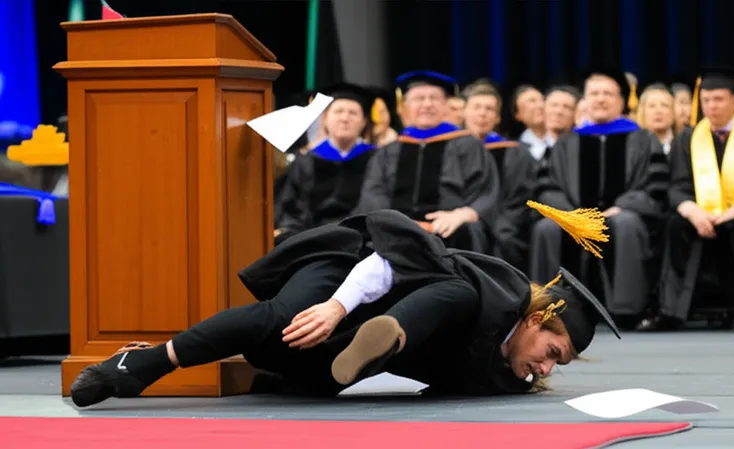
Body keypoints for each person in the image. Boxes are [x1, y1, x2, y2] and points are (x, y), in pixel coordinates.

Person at [69, 204, 620, 407]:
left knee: (311, 377)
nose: (546, 368)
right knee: (280, 320)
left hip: (343, 352)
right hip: (352, 279)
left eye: (557, 365)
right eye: (552, 351)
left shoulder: (504, 375)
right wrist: (336, 307)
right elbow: (389, 260)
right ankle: (139, 365)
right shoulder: (491, 289)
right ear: (535, 319)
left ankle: (358, 348)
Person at [637, 67, 734, 332]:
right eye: (706, 100)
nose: (711, 106)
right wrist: (693, 211)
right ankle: (670, 311)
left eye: (718, 99)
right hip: (701, 216)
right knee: (675, 223)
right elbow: (677, 186)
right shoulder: (688, 137)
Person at [530, 65, 669, 329]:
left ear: (621, 100)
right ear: (584, 100)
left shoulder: (643, 140)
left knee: (626, 223)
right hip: (573, 216)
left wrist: (622, 206)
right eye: (594, 93)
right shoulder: (566, 143)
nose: (600, 99)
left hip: (622, 216)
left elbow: (655, 188)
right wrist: (572, 215)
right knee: (546, 228)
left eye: (608, 93)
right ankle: (547, 307)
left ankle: (626, 310)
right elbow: (546, 188)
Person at [356, 71, 500, 253]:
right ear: (405, 106)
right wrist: (396, 222)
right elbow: (374, 194)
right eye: (419, 98)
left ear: (446, 105)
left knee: (468, 232)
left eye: (434, 98)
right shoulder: (388, 152)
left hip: (451, 234)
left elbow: (485, 192)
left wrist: (463, 214)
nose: (427, 104)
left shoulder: (468, 146)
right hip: (395, 235)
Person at [275, 83, 378, 244]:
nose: (345, 118)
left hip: (362, 239)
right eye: (338, 111)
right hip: (312, 239)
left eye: (353, 113)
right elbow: (293, 207)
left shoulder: (376, 159)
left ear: (364, 122)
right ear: (325, 119)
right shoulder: (306, 160)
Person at [461, 81, 536, 271]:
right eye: (477, 107)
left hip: (504, 221)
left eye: (489, 109)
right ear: (464, 112)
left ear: (497, 118)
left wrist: (492, 221)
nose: (482, 113)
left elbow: (519, 198)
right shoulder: (452, 151)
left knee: (503, 234)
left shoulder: (516, 152)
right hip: (462, 219)